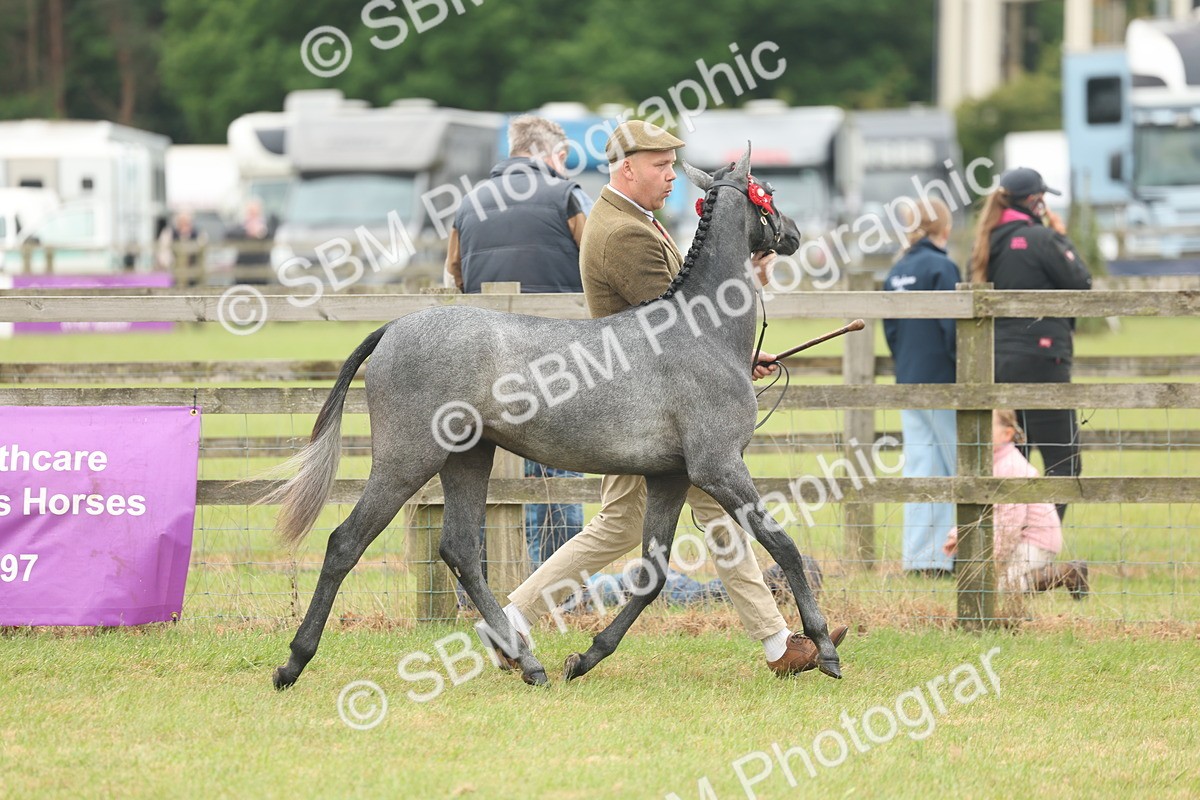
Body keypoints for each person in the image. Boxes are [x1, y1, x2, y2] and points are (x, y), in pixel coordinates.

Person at [484, 119, 847, 676]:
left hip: (655, 403)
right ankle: (778, 643)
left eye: (674, 164)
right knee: (676, 518)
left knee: (669, 520)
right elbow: (678, 328)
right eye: (662, 165)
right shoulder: (623, 234)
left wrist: (741, 361)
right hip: (641, 408)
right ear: (628, 168)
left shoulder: (634, 220)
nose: (673, 176)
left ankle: (777, 643)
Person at [445, 115, 593, 570]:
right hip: (556, 357)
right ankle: (558, 587)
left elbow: (454, 274)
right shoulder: (567, 196)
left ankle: (481, 586)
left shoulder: (467, 205)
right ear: (558, 155)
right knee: (555, 475)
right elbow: (599, 265)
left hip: (481, 363)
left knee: (478, 478)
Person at [969, 167, 1092, 521]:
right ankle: (1038, 540)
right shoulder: (1041, 239)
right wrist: (1062, 236)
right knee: (1063, 461)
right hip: (1043, 360)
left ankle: (1009, 541)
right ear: (1036, 200)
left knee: (1013, 458)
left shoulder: (984, 242)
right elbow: (1082, 282)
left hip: (997, 362)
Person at [883, 197, 960, 577]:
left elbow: (891, 331)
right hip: (944, 381)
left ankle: (919, 557)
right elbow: (953, 328)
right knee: (954, 467)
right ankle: (950, 553)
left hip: (909, 379)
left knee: (920, 465)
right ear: (944, 229)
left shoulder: (898, 271)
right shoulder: (942, 268)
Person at [943, 410, 1089, 598]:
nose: (977, 432)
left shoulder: (1010, 466)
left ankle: (1066, 572)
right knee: (990, 583)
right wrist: (960, 534)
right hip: (1017, 537)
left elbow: (1010, 522)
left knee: (1002, 585)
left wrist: (995, 557)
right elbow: (978, 509)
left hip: (1035, 540)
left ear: (1007, 434)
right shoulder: (987, 463)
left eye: (986, 427)